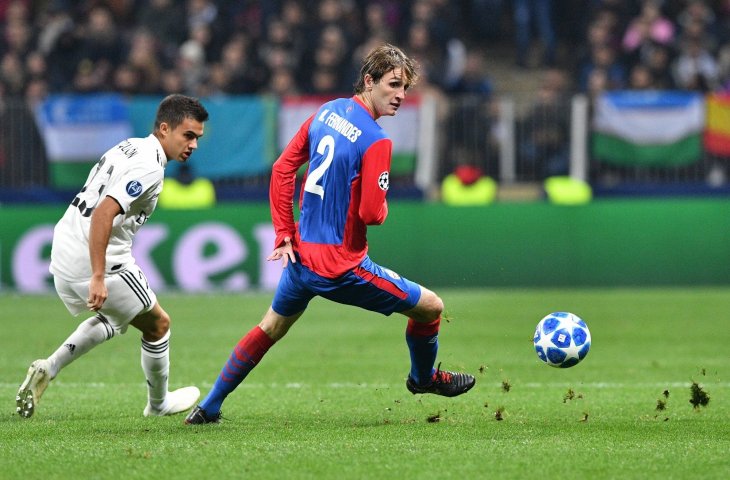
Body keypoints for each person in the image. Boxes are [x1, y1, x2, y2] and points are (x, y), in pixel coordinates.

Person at [185, 43, 475, 425]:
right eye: (393, 85)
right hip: (342, 266)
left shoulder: (326, 112)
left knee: (270, 327)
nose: (401, 95)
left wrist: (283, 233)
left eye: (405, 88)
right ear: (368, 81)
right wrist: (383, 201)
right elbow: (373, 214)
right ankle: (423, 379)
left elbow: (282, 168)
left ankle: (209, 406)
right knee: (431, 307)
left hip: (302, 256)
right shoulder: (377, 140)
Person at [16, 94, 210, 419]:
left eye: (197, 138)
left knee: (116, 318)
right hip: (98, 257)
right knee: (159, 324)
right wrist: (97, 275)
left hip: (65, 243)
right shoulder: (150, 168)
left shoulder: (129, 145)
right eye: (188, 135)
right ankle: (159, 404)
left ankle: (48, 368)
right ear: (165, 128)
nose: (193, 145)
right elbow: (104, 213)